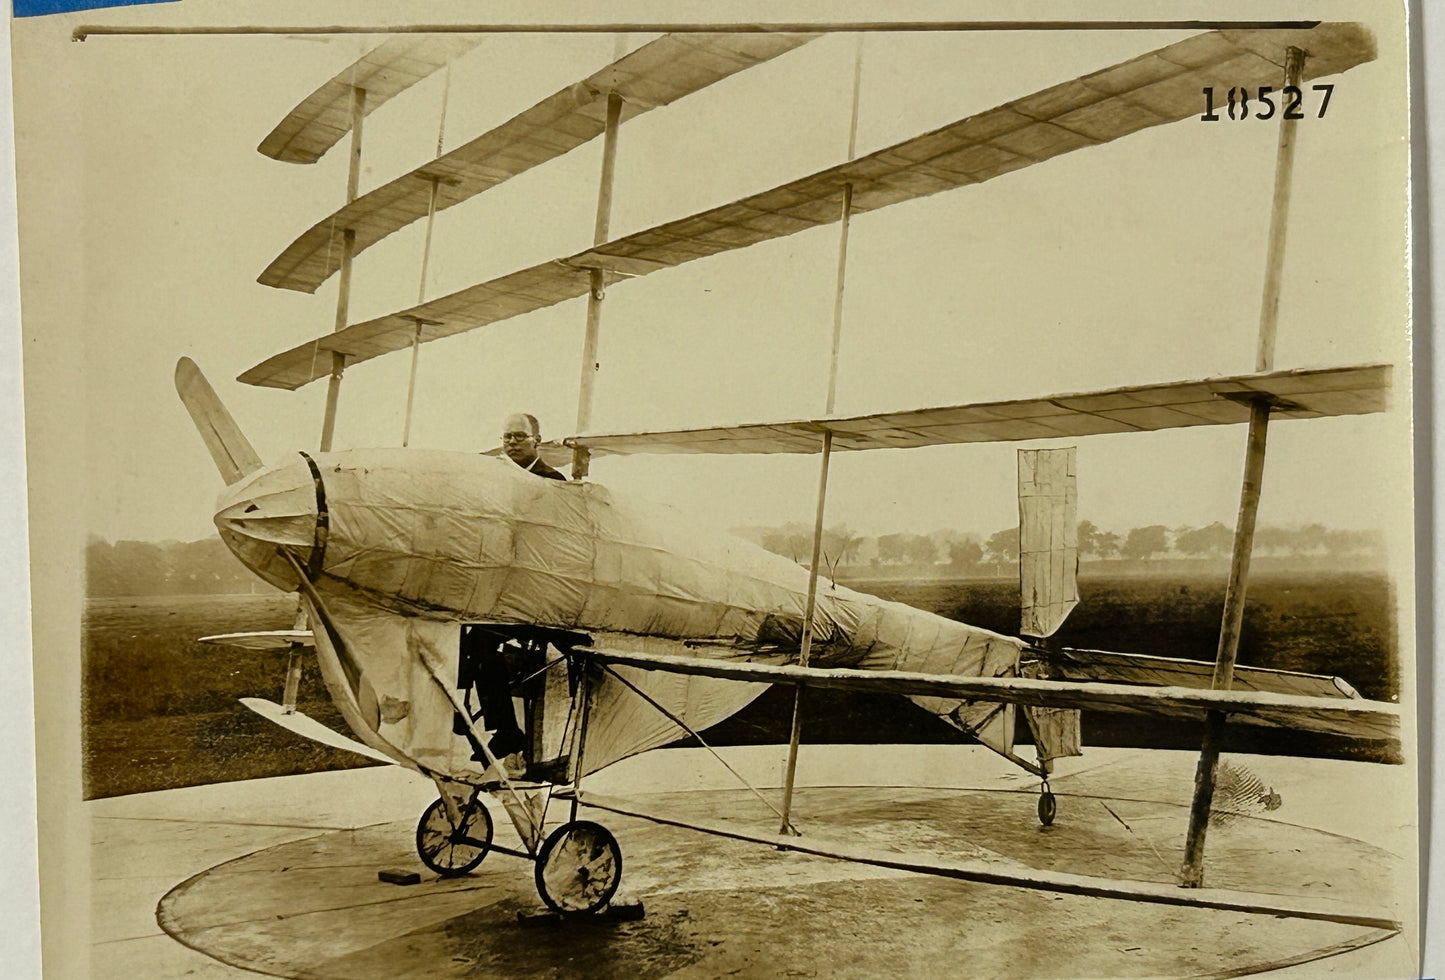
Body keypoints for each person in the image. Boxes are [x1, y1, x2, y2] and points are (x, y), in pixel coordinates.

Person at [500, 413, 567, 480]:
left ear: (537, 440)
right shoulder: (498, 476)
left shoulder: (554, 479)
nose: (512, 441)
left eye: (520, 435)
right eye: (507, 436)